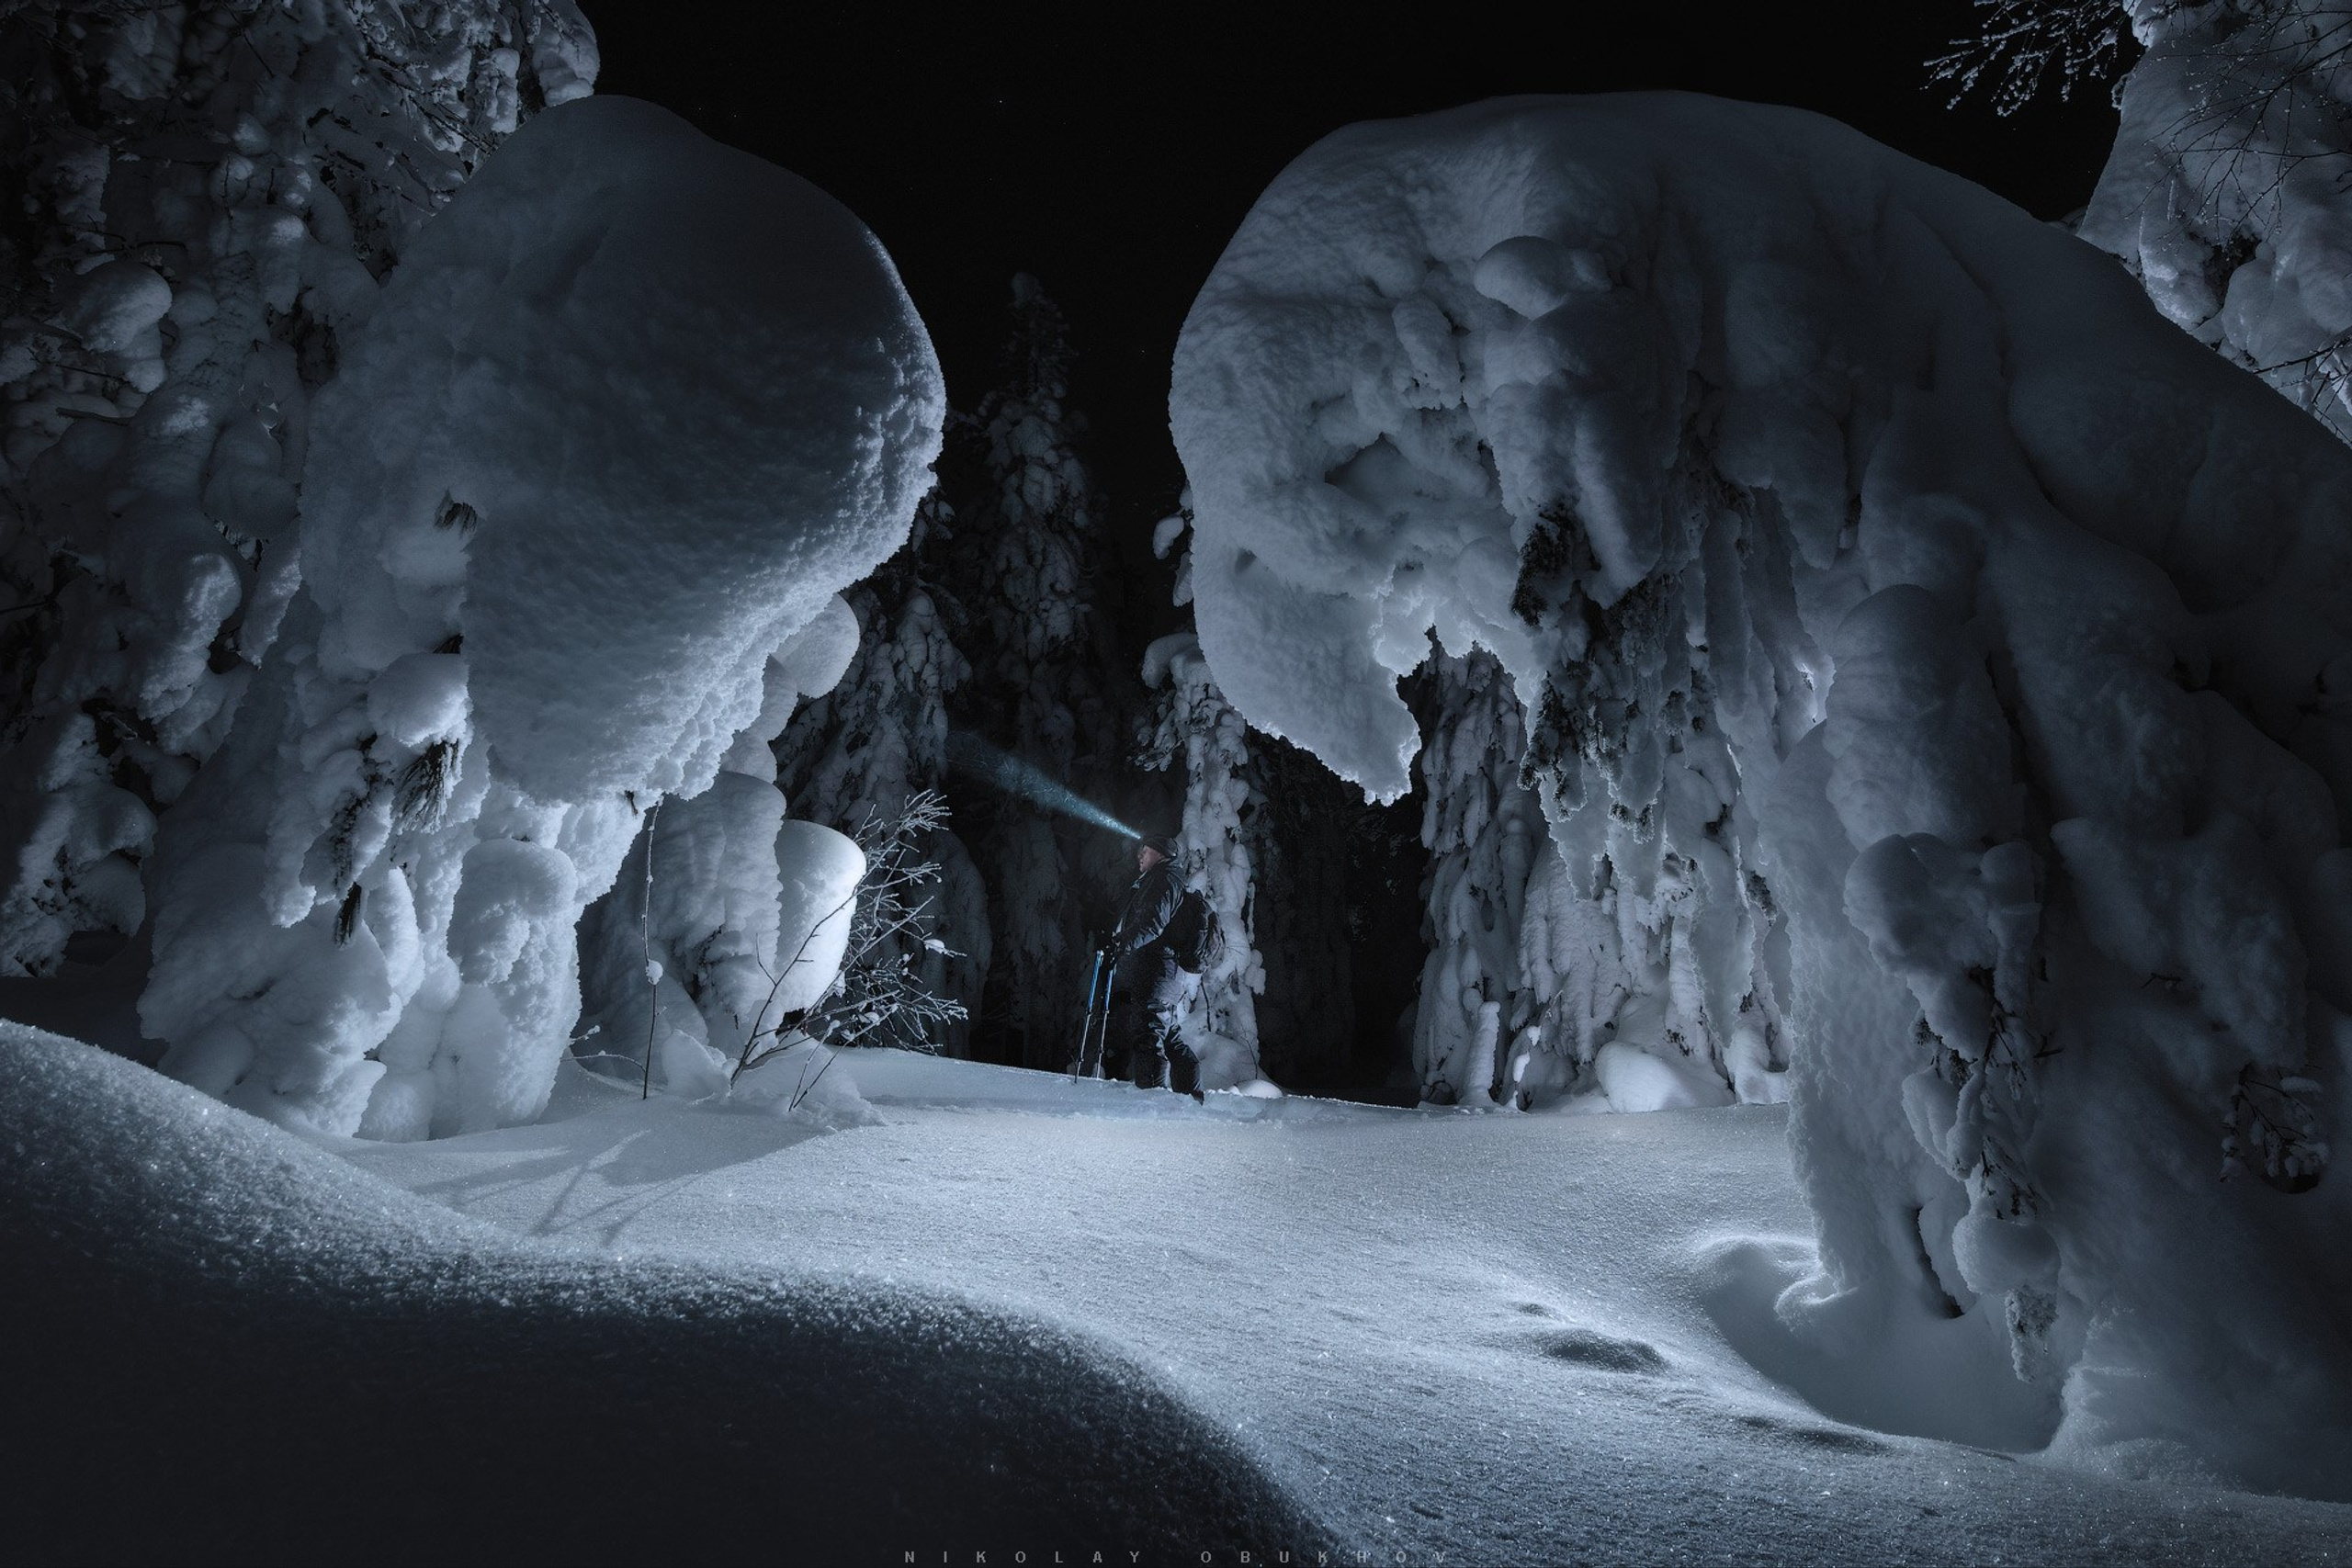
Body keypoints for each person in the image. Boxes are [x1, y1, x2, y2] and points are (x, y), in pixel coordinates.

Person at [1101, 833, 1204, 1100]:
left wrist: (1121, 944)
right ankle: (1190, 1097)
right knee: (1168, 1035)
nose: (1140, 855)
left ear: (1160, 853)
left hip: (1159, 971)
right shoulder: (1163, 879)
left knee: (1149, 1036)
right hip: (1163, 972)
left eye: (1145, 850)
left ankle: (1153, 1103)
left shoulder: (1165, 879)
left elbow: (1153, 924)